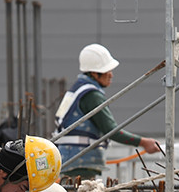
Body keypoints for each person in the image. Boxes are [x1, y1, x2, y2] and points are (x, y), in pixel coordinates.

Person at [53, 43, 162, 179]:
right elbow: (112, 131)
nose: (111, 75)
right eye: (107, 71)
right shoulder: (92, 96)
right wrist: (143, 142)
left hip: (68, 159)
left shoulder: (77, 89)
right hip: (80, 164)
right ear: (94, 73)